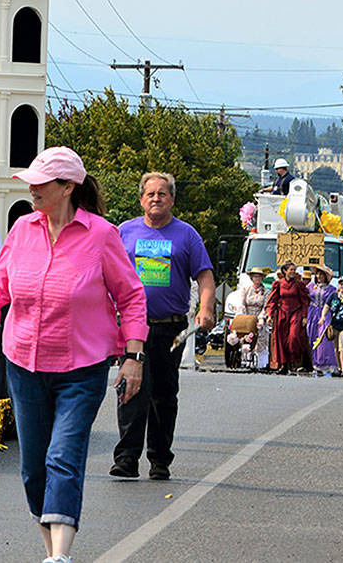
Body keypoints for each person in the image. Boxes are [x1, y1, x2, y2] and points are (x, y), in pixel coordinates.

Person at [0, 147, 146, 563]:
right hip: (24, 364)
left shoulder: (101, 235)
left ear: (67, 187)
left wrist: (133, 356)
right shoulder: (22, 229)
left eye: (41, 183)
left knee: (63, 457)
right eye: (31, 182)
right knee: (34, 467)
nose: (32, 189)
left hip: (82, 369)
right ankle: (52, 551)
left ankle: (60, 557)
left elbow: (131, 296)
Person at [111, 172, 214, 481]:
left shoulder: (187, 235)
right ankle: (126, 459)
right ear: (141, 199)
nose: (156, 198)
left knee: (163, 396)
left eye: (162, 194)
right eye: (150, 194)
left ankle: (159, 459)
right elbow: (105, 271)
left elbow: (205, 275)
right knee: (131, 389)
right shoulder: (124, 232)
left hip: (170, 329)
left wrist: (206, 308)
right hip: (132, 328)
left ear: (172, 199)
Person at [265, 262, 311, 374]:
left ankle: (294, 362)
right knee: (281, 339)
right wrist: (270, 315)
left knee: (293, 337)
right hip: (282, 313)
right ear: (285, 271)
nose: (293, 272)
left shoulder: (299, 284)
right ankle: (283, 365)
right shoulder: (278, 284)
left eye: (294, 270)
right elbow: (273, 300)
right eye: (291, 269)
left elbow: (304, 301)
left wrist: (304, 316)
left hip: (296, 313)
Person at [306, 265, 339, 374]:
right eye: (317, 274)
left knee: (323, 338)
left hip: (324, 314)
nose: (319, 276)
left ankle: (324, 363)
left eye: (321, 274)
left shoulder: (332, 289)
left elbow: (335, 303)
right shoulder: (310, 286)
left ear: (325, 276)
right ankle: (313, 363)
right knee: (311, 335)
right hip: (312, 314)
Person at [239, 268, 271, 370]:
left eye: (259, 277)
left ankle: (261, 363)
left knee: (260, 337)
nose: (257, 279)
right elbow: (242, 304)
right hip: (248, 316)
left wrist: (261, 318)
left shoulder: (266, 292)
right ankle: (246, 360)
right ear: (252, 278)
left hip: (259, 317)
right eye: (255, 277)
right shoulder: (246, 289)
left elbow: (265, 306)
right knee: (246, 337)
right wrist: (243, 316)